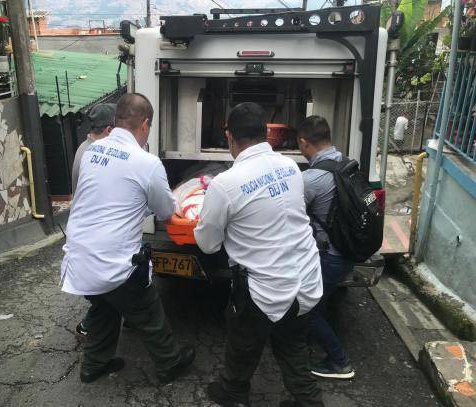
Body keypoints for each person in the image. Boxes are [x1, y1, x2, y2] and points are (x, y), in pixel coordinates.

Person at [194, 102, 324, 407]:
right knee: (292, 346)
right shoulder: (291, 167)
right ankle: (309, 401)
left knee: (243, 343)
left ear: (228, 136)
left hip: (262, 287)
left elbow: (208, 244)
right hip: (305, 277)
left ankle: (234, 393)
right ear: (266, 133)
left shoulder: (225, 184)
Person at [61, 93, 195, 384]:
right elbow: (166, 210)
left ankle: (94, 364)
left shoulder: (92, 152)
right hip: (114, 261)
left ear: (117, 119)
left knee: (105, 306)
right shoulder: (146, 162)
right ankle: (170, 363)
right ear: (145, 124)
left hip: (79, 257)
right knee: (146, 310)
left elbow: (110, 195)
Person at [296, 116, 356, 380]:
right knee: (319, 302)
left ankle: (339, 361)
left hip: (328, 256)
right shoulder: (348, 165)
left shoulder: (311, 178)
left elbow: (289, 214)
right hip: (347, 250)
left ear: (304, 143)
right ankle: (305, 343)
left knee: (308, 308)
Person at [70, 103, 116, 339]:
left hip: (87, 234)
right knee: (106, 296)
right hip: (94, 237)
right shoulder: (96, 155)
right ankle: (86, 328)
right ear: (109, 130)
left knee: (108, 294)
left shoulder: (85, 148)